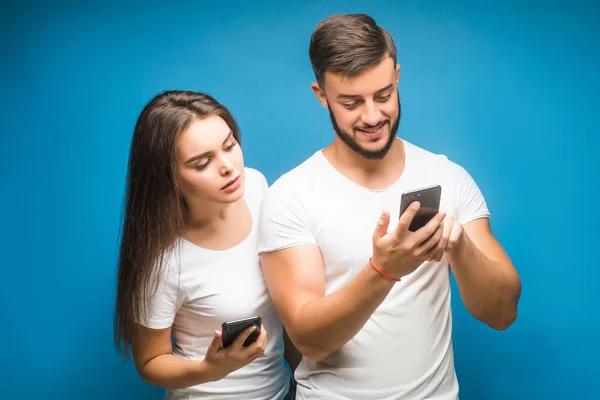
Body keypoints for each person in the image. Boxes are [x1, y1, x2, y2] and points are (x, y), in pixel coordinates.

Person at [257, 14, 522, 400]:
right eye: (351, 102)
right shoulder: (290, 196)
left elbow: (502, 313)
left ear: (397, 76)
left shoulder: (448, 177)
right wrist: (383, 270)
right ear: (321, 94)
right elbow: (310, 341)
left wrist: (459, 246)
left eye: (383, 95)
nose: (372, 116)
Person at [113, 90, 296, 399]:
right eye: (201, 164)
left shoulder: (256, 187)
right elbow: (149, 363)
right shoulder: (165, 262)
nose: (228, 167)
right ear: (169, 177)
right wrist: (211, 369)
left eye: (230, 145)